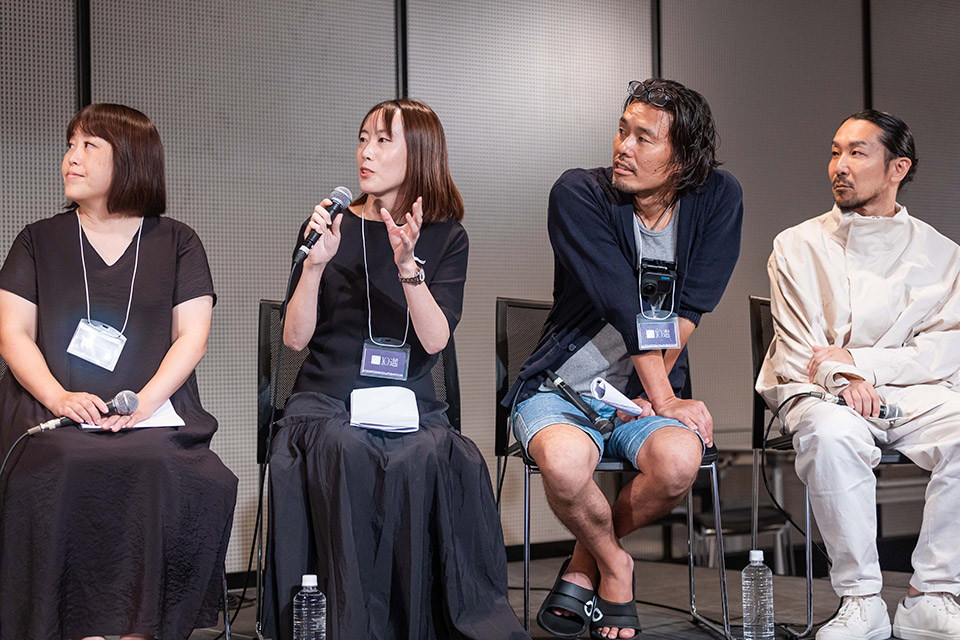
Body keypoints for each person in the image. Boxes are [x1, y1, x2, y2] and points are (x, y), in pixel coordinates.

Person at [262, 99, 528, 640]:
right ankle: (349, 625)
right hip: (327, 398)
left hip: (409, 401)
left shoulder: (446, 237)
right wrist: (314, 265)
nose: (366, 151)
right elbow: (293, 339)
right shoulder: (329, 225)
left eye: (383, 140)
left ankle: (416, 623)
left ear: (420, 152)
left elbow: (434, 339)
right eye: (363, 137)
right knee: (346, 447)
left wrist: (409, 268)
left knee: (436, 455)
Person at [503, 78, 743, 639]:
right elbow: (623, 301)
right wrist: (666, 397)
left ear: (683, 157)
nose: (623, 147)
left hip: (643, 393)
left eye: (644, 137)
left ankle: (585, 561)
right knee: (563, 465)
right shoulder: (578, 194)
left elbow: (690, 309)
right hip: (564, 391)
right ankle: (616, 565)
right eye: (622, 130)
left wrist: (658, 396)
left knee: (680, 464)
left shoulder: (717, 198)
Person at [0, 104, 238, 640]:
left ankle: (140, 627)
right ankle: (67, 625)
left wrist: (146, 403)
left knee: (170, 470)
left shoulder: (178, 242)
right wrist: (60, 397)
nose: (70, 158)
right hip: (50, 407)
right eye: (70, 144)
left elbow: (192, 337)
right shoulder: (38, 239)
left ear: (129, 160)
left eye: (89, 146)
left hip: (150, 411)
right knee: (59, 463)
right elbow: (12, 333)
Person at [758, 109, 960, 640]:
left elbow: (946, 348)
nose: (839, 166)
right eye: (834, 151)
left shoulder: (941, 254)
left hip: (913, 395)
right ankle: (860, 599)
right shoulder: (796, 245)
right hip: (820, 393)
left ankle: (933, 593)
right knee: (831, 433)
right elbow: (803, 347)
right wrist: (843, 380)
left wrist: (859, 364)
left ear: (898, 167)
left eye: (856, 153)